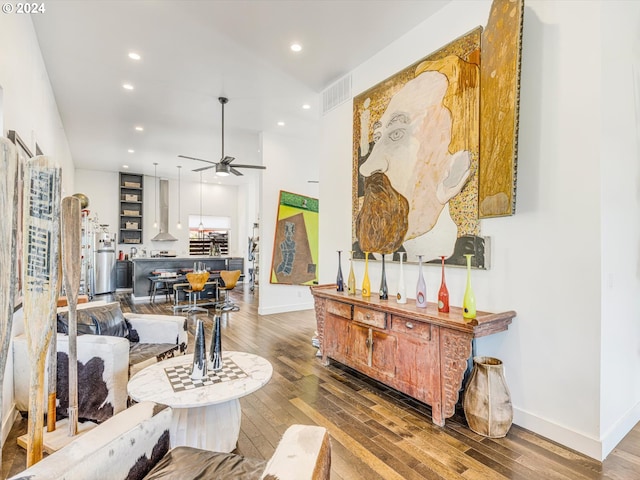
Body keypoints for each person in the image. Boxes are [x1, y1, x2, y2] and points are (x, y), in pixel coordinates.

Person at [356, 54, 479, 262]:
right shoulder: (359, 253)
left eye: (396, 135)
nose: (366, 168)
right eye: (378, 138)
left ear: (453, 173)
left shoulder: (469, 257)